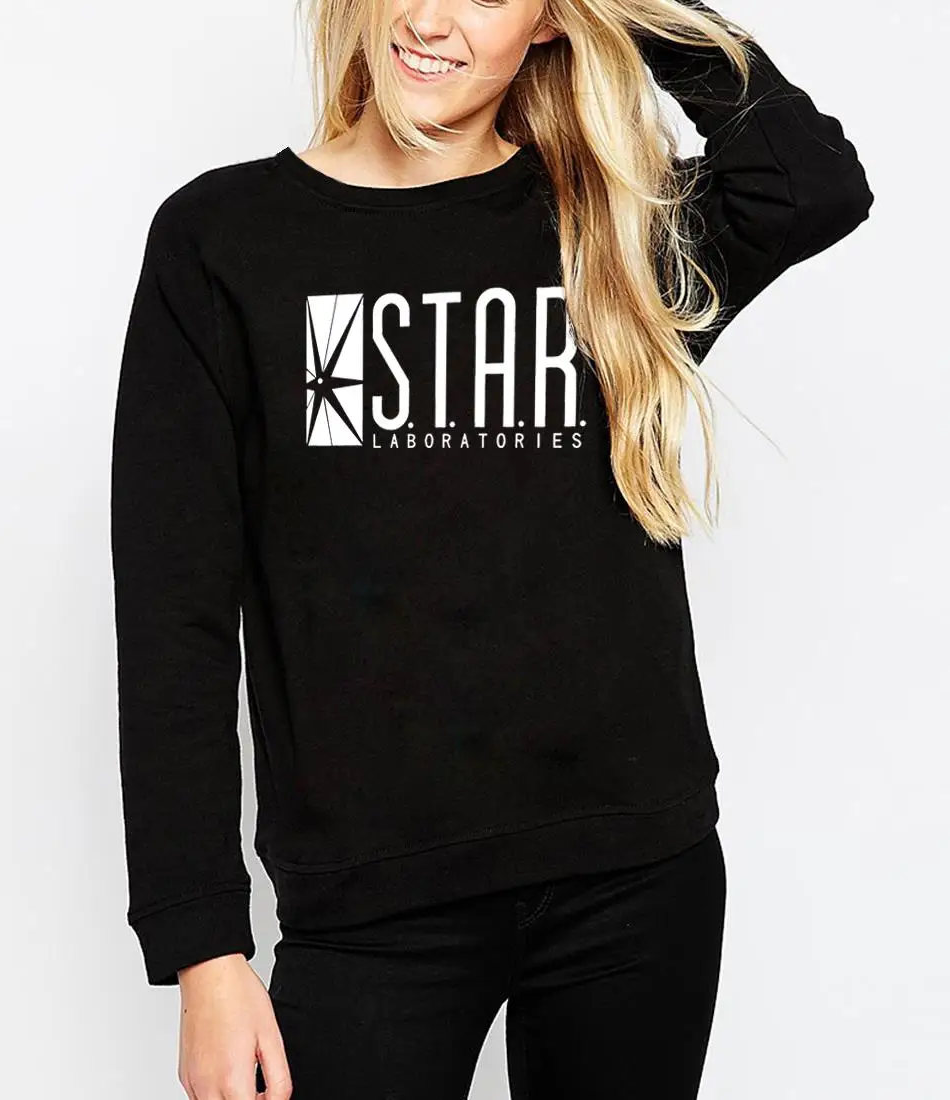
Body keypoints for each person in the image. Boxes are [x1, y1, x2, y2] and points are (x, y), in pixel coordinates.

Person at [109, 0, 872, 1096]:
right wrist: (204, 952)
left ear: (549, 20)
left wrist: (637, 13)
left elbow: (811, 184)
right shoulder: (224, 241)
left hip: (633, 879)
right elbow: (172, 616)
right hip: (371, 907)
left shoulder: (609, 228)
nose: (429, 19)